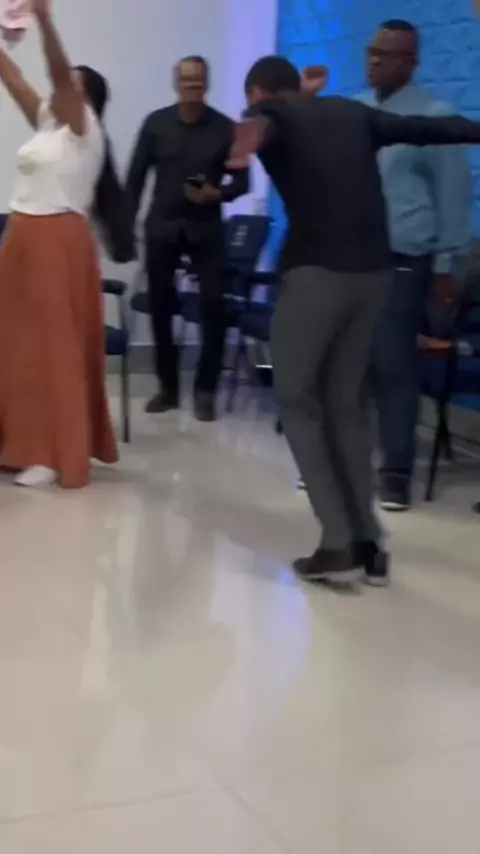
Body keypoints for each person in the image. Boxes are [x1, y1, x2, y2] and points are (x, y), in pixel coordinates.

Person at [227, 55, 480, 587]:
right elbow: (427, 129)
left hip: (316, 275)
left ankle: (337, 541)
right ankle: (368, 542)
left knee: (297, 399)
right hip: (376, 274)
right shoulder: (351, 112)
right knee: (346, 404)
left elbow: (263, 125)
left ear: (256, 92)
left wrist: (244, 140)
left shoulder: (272, 114)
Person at [0, 0, 134, 488]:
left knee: (52, 349)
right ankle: (20, 442)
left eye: (72, 86)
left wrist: (46, 21)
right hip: (23, 238)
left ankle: (53, 452)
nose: (60, 89)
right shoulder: (47, 124)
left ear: (85, 99)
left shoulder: (85, 130)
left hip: (57, 241)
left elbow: (57, 72)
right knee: (17, 346)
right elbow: (13, 77)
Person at [359, 20, 473, 511]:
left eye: (384, 54)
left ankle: (395, 474)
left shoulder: (434, 116)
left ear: (410, 61)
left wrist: (446, 264)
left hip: (406, 259)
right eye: (371, 50)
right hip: (354, 259)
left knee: (393, 365)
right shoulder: (357, 111)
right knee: (350, 364)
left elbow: (453, 196)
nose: (373, 60)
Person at [127, 56, 249, 422]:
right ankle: (168, 387)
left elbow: (244, 182)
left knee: (214, 306)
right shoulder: (155, 124)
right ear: (176, 83)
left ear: (206, 84)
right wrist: (125, 225)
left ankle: (206, 389)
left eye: (198, 81)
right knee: (161, 306)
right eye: (186, 80)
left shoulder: (228, 129)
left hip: (206, 229)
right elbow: (135, 178)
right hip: (162, 227)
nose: (192, 86)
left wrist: (218, 194)